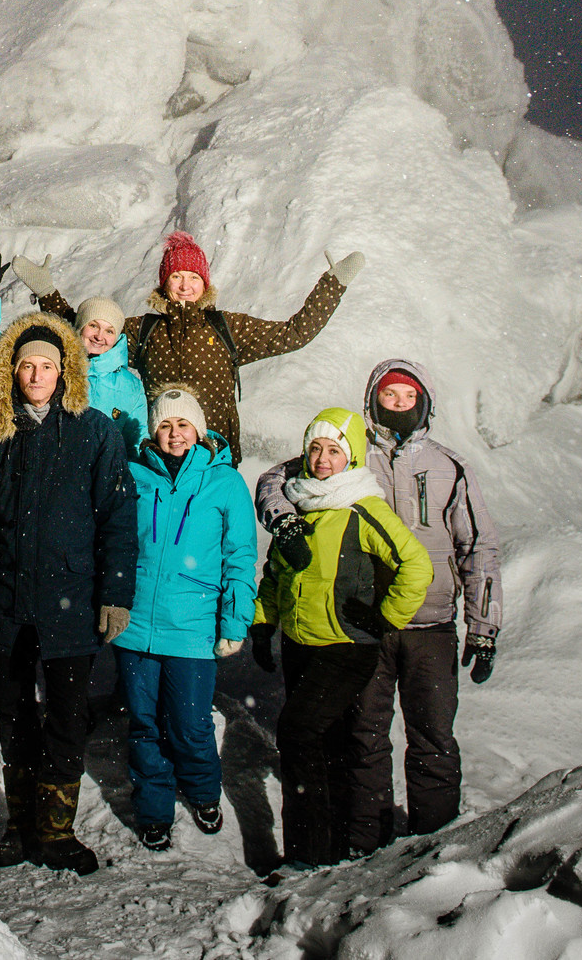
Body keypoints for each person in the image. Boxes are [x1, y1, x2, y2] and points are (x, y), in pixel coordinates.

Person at [254, 359, 502, 839]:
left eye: (409, 398)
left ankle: (437, 844)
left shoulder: (449, 466)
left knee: (433, 737)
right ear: (373, 402)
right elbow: (274, 481)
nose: (399, 405)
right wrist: (283, 520)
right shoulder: (351, 452)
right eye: (390, 397)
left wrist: (484, 626)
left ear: (424, 403)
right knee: (364, 740)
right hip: (364, 624)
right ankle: (366, 843)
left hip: (431, 625)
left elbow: (478, 546)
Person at [0, 313, 137, 875]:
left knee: (66, 718)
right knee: (14, 717)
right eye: (26, 366)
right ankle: (18, 826)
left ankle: (56, 829)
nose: (37, 374)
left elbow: (118, 517)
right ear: (11, 374)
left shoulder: (95, 431)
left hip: (71, 603)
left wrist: (115, 593)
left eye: (47, 365)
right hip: (4, 599)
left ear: (65, 370)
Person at [251, 408, 431, 869]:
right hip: (299, 645)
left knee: (297, 733)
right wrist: (263, 623)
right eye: (315, 448)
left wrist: (383, 618)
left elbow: (417, 566)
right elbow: (277, 571)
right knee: (325, 744)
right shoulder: (301, 501)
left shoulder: (362, 507)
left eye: (334, 450)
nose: (322, 459)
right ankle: (327, 851)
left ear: (350, 457)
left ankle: (306, 855)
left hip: (346, 648)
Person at [19, 231, 361, 458]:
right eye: (177, 277)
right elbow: (91, 333)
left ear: (205, 283)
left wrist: (333, 284)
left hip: (215, 454)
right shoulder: (146, 330)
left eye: (193, 277)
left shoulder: (229, 328)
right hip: (159, 454)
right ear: (164, 282)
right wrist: (48, 292)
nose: (185, 286)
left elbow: (293, 334)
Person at [115, 387, 257, 851]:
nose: (174, 435)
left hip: (193, 627)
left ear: (198, 428)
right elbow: (112, 542)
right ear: (153, 431)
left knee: (190, 724)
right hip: (136, 625)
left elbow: (240, 557)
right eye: (165, 426)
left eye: (182, 425)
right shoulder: (134, 474)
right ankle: (153, 808)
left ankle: (201, 791)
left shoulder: (225, 482)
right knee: (143, 724)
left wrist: (234, 621)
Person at [0, 250, 148, 454]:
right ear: (80, 326)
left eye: (109, 331)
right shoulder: (54, 362)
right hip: (53, 465)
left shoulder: (130, 386)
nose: (99, 336)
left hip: (103, 476)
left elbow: (137, 442)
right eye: (93, 325)